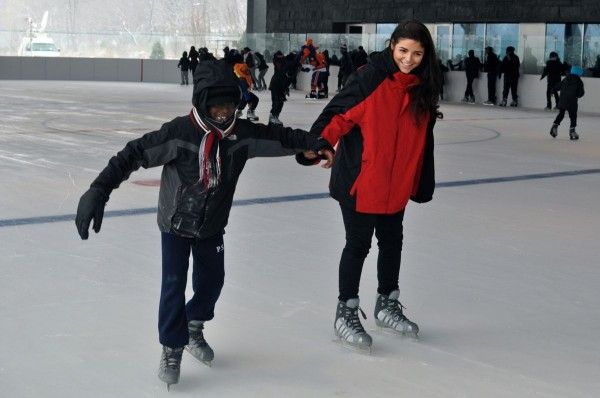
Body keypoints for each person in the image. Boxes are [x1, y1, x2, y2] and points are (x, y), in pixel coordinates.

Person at [74, 60, 333, 390]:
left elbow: (279, 136)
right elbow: (133, 153)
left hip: (212, 225)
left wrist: (314, 142)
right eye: (216, 106)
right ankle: (172, 347)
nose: (224, 113)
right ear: (201, 103)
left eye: (229, 105)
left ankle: (193, 325)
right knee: (173, 285)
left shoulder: (241, 135)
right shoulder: (179, 133)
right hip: (175, 224)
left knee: (212, 283)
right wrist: (99, 189)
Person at [299, 20, 441, 351]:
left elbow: (423, 138)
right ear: (392, 46)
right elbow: (338, 116)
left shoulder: (423, 86)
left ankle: (386, 304)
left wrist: (419, 179)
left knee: (393, 242)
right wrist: (319, 143)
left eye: (417, 53)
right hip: (361, 180)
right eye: (403, 51)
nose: (409, 59)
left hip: (396, 182)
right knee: (358, 245)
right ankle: (345, 312)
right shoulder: (370, 78)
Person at [549, 65, 585, 140]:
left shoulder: (565, 79)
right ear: (579, 73)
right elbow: (581, 93)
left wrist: (552, 90)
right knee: (573, 116)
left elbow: (558, 86)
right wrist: (577, 95)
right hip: (572, 102)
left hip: (563, 101)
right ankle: (572, 131)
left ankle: (554, 127)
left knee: (561, 114)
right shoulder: (579, 81)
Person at [233, 52, 260, 121]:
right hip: (241, 92)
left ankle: (239, 112)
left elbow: (248, 76)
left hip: (241, 91)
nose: (247, 71)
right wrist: (248, 100)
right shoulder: (240, 69)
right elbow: (244, 88)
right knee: (254, 99)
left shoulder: (239, 67)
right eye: (246, 70)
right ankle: (249, 113)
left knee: (245, 99)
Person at [268, 50, 290, 125]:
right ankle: (273, 116)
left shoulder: (284, 64)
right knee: (277, 101)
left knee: (280, 102)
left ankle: (275, 116)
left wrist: (286, 88)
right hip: (275, 84)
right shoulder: (278, 63)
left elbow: (286, 78)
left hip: (280, 84)